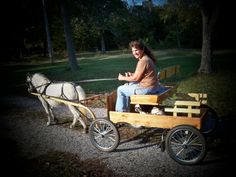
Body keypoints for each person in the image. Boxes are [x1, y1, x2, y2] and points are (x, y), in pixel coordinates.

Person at [115, 40, 160, 112]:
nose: (134, 53)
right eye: (133, 51)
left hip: (147, 89)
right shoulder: (147, 58)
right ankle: (128, 110)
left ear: (142, 50)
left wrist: (122, 78)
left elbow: (136, 78)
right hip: (153, 87)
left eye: (136, 50)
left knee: (120, 89)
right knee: (128, 85)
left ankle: (121, 113)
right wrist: (132, 74)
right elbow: (143, 74)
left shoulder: (143, 61)